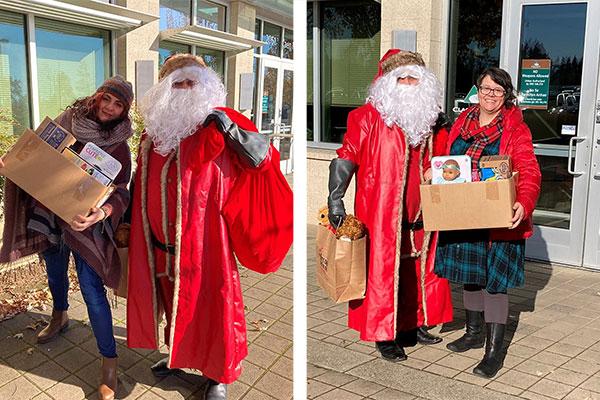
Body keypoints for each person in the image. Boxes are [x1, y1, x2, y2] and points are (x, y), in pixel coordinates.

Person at [126, 54, 293, 400]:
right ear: (164, 90)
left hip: (206, 245)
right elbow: (139, 181)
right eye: (178, 83)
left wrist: (232, 131)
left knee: (215, 308)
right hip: (159, 244)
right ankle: (178, 357)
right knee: (175, 305)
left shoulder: (221, 124)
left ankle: (220, 375)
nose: (186, 89)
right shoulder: (154, 132)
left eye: (192, 82)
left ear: (207, 87)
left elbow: (264, 162)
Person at [0, 76, 134, 400]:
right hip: (50, 216)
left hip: (86, 226)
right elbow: (35, 152)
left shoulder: (119, 144)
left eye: (118, 105)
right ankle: (59, 317)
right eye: (108, 100)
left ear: (123, 111)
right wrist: (13, 162)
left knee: (91, 289)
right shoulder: (68, 121)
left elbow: (121, 192)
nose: (110, 108)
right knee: (55, 273)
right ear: (98, 96)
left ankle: (109, 362)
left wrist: (101, 214)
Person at [327, 49, 454, 362]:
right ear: (387, 81)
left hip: (422, 210)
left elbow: (444, 160)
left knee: (416, 267)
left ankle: (413, 323)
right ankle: (384, 333)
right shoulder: (367, 117)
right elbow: (346, 156)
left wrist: (446, 131)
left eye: (415, 77)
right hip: (382, 211)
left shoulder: (429, 119)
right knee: (384, 270)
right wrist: (335, 197)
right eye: (402, 77)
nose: (409, 83)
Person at [435, 67, 541, 378]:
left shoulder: (515, 129)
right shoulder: (461, 123)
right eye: (485, 88)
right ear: (476, 91)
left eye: (497, 90)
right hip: (464, 215)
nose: (490, 95)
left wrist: (524, 202)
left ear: (507, 95)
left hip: (499, 220)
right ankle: (472, 332)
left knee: (494, 284)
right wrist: (432, 172)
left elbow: (529, 170)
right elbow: (446, 161)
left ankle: (493, 351)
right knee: (470, 278)